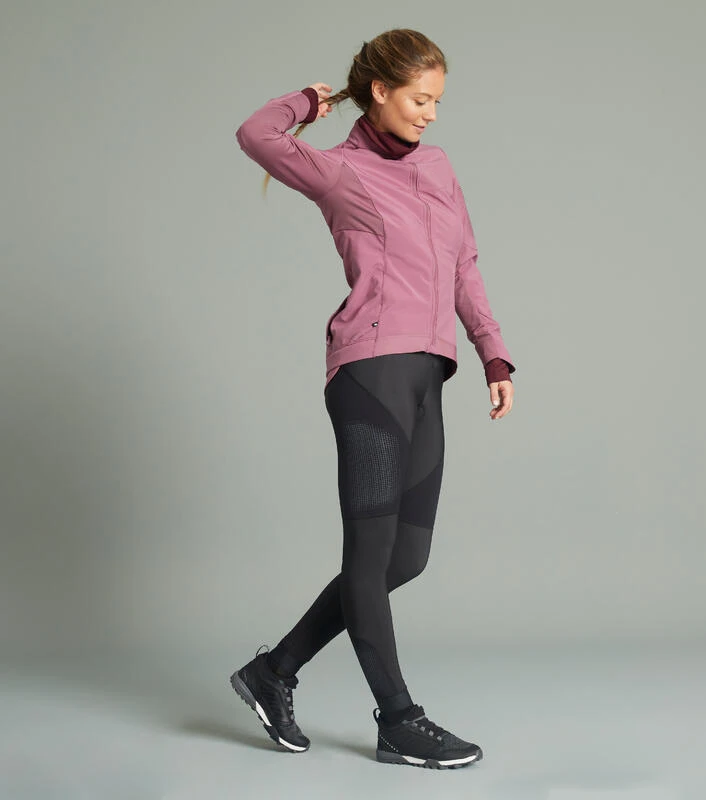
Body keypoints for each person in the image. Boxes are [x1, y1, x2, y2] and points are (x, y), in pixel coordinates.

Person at [229, 28, 516, 770]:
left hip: (428, 377)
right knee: (367, 555)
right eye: (420, 99)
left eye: (438, 102)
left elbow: (465, 265)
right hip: (369, 374)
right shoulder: (340, 172)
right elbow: (255, 134)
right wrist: (306, 100)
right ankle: (398, 719)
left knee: (405, 558)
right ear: (381, 91)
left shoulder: (438, 168)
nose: (430, 114)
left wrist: (492, 350)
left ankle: (273, 672)